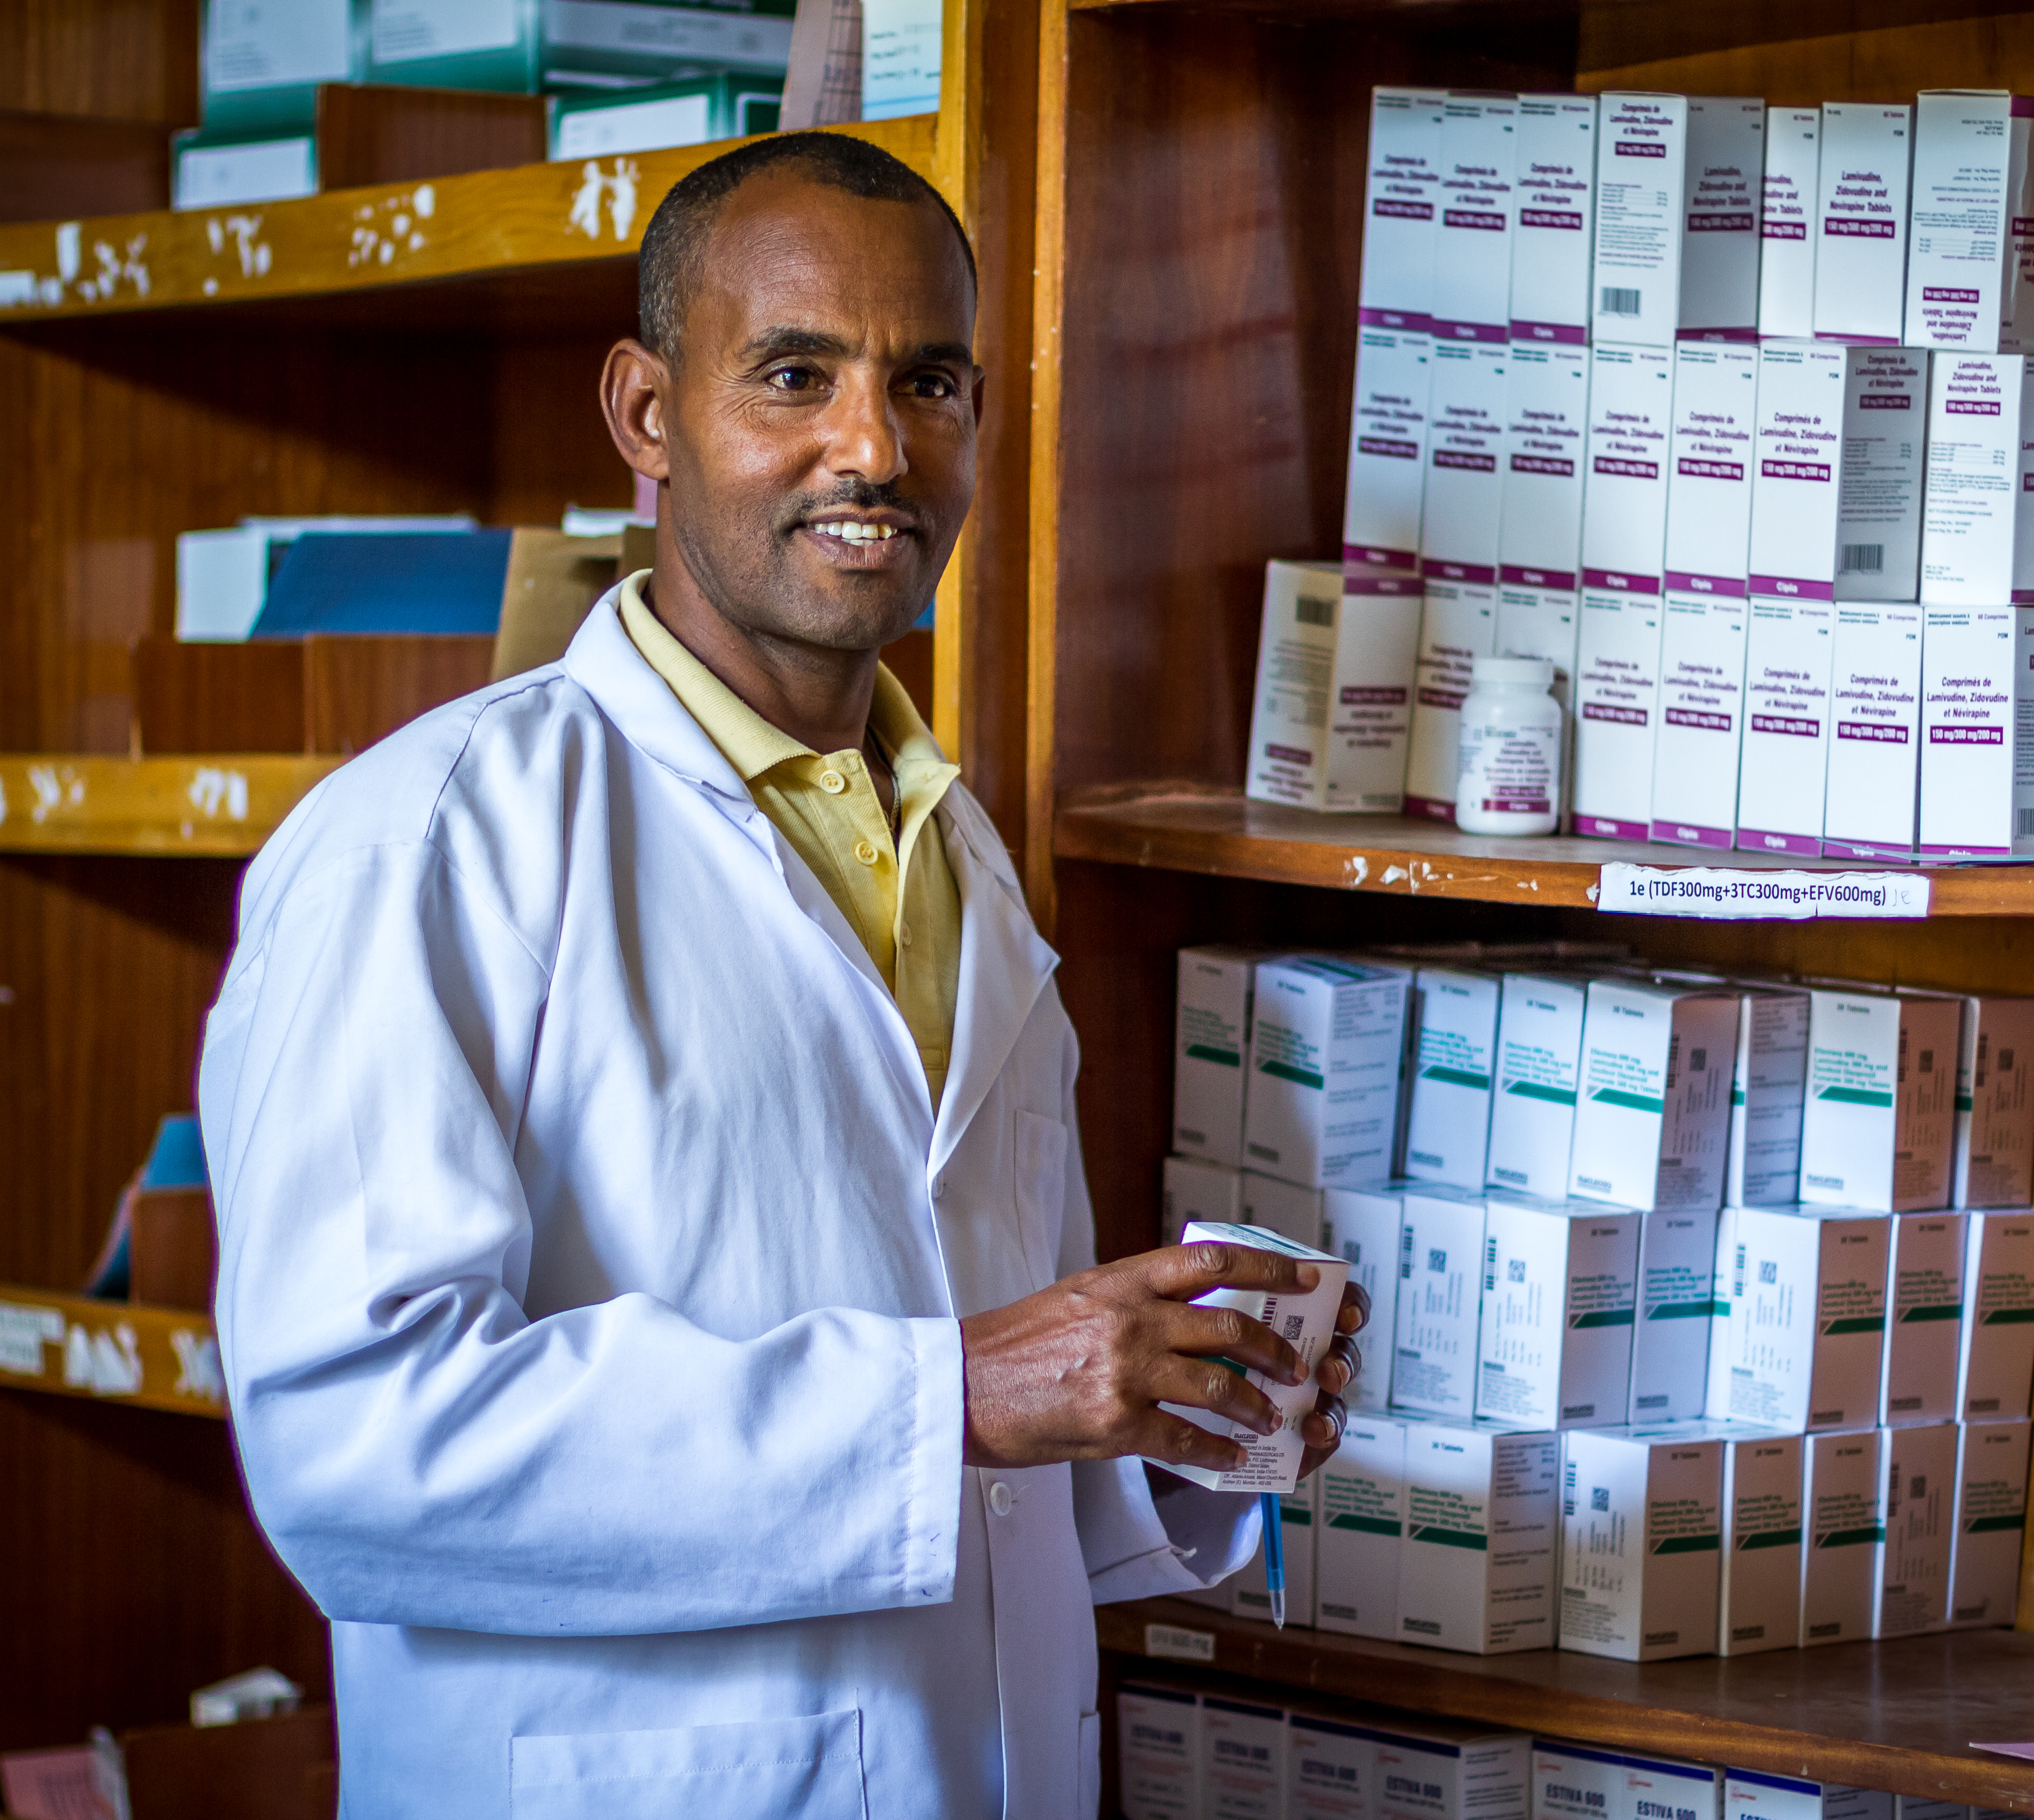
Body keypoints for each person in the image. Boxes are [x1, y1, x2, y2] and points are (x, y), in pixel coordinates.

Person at [200, 130, 1369, 1819]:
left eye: (932, 381)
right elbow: (361, 1456)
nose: (874, 448)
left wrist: (1176, 1416)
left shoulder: (953, 854)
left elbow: (979, 1464)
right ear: (648, 416)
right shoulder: (436, 843)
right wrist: (949, 1400)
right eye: (796, 374)